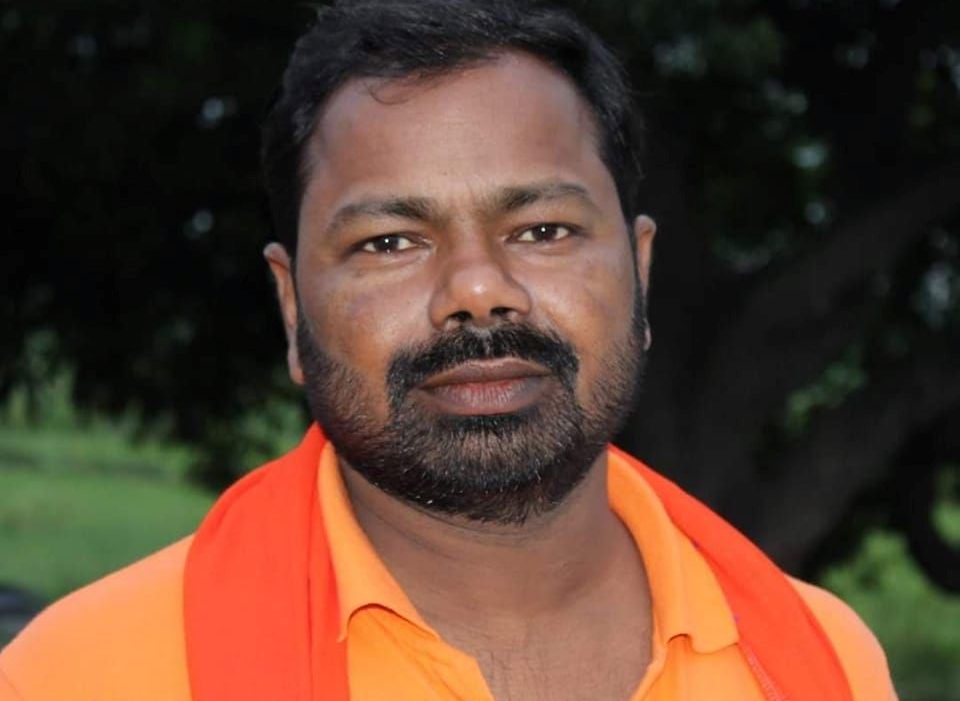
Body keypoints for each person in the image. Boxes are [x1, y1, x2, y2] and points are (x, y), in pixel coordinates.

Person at [0, 1, 898, 699]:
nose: (476, 288)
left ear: (640, 270)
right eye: (390, 242)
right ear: (291, 305)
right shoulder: (83, 671)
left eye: (543, 229)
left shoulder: (821, 661)